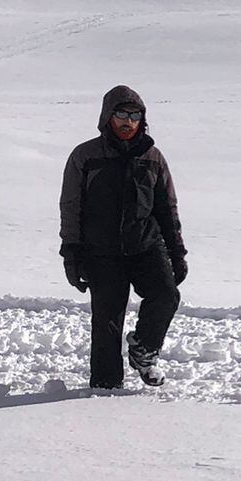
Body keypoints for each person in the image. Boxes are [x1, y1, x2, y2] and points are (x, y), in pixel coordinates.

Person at [59, 85, 187, 390]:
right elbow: (70, 206)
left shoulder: (152, 157)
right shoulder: (85, 156)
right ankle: (105, 388)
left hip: (145, 245)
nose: (128, 121)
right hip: (101, 252)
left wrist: (177, 253)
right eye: (121, 114)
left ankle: (144, 351)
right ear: (108, 117)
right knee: (107, 321)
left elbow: (166, 208)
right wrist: (72, 254)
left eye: (135, 115)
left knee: (166, 295)